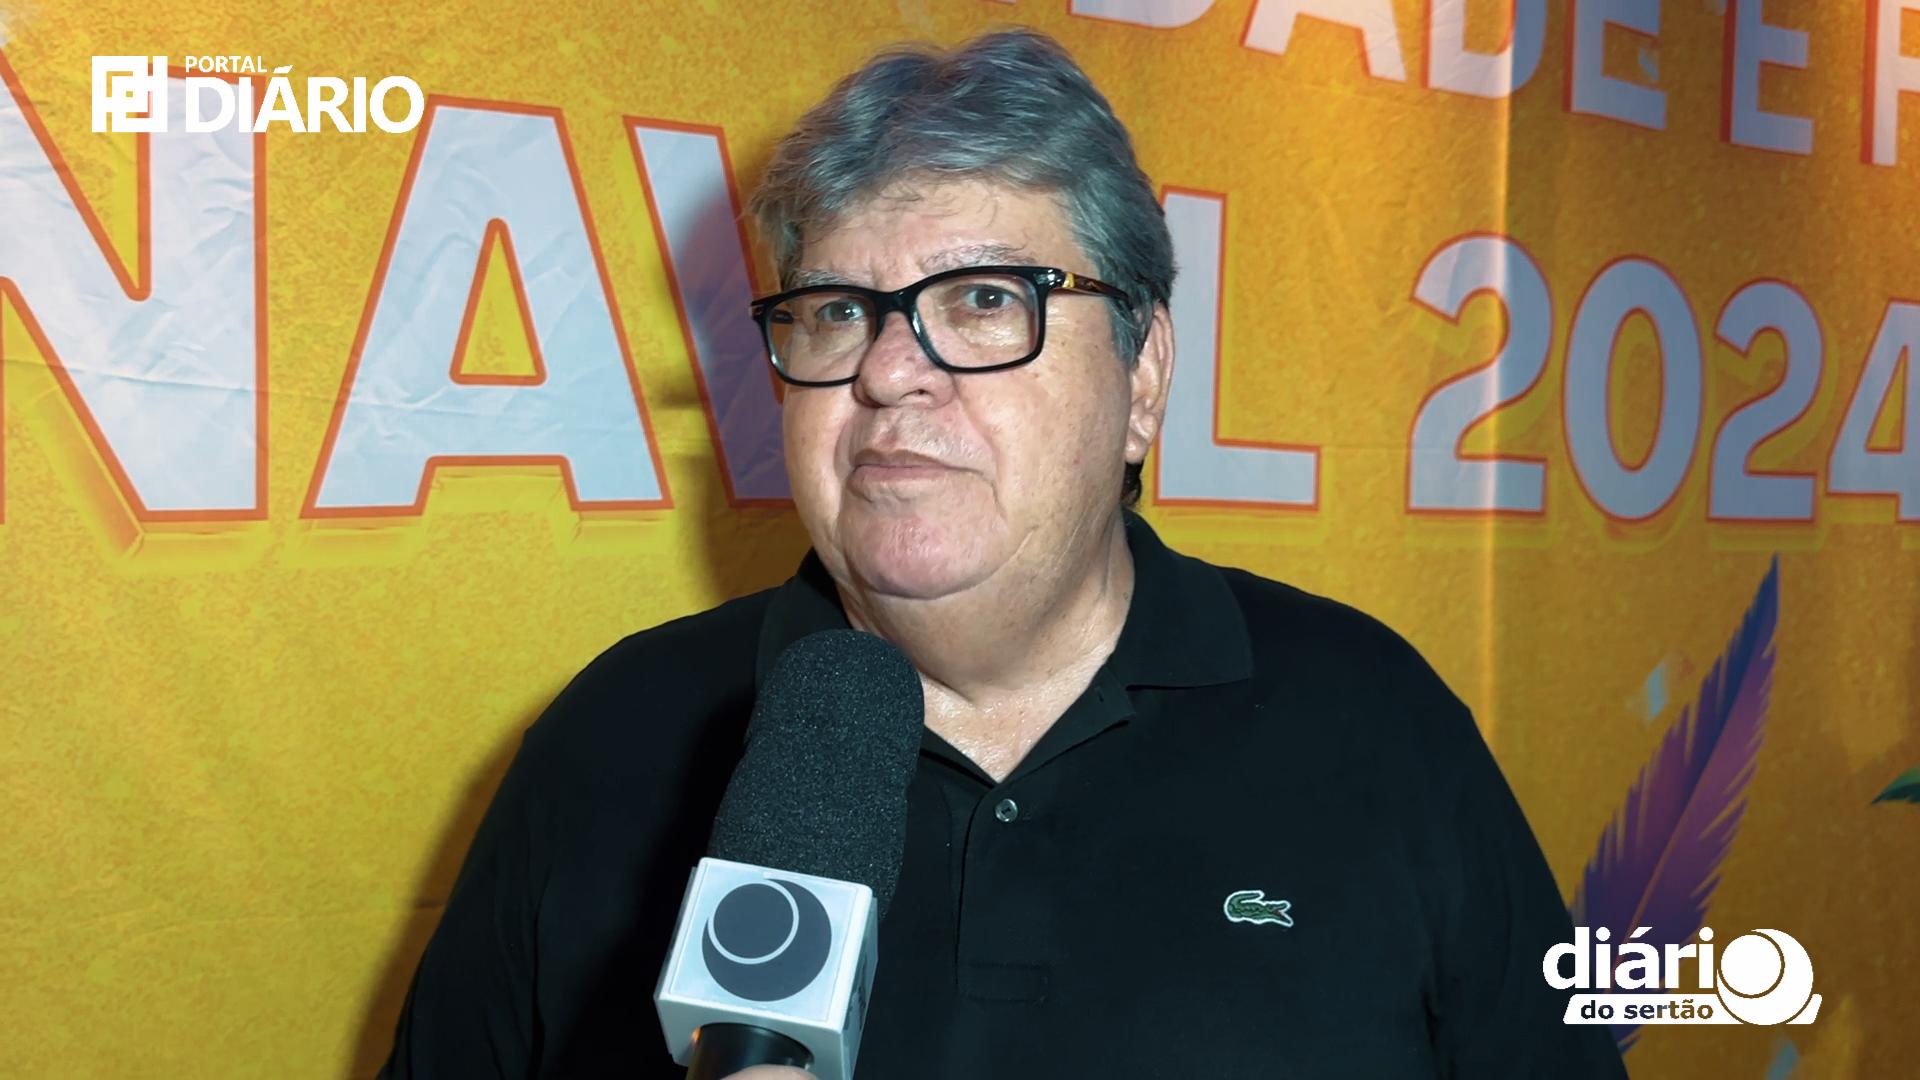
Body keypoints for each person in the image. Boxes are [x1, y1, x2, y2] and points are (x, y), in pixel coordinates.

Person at [377, 27, 1626, 1079]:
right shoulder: (615, 737)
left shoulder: (1375, 722)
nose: (887, 372)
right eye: (837, 312)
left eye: (984, 300)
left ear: (1143, 376)